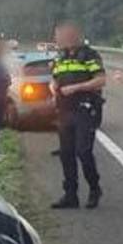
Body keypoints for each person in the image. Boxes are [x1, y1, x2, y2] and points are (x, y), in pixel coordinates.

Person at [48, 22, 105, 209]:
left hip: (84, 109)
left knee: (83, 151)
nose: (57, 39)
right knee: (66, 154)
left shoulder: (89, 55)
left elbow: (100, 80)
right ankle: (70, 194)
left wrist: (77, 88)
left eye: (60, 35)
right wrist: (53, 86)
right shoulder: (60, 57)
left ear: (72, 35)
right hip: (64, 109)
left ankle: (94, 188)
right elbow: (55, 78)